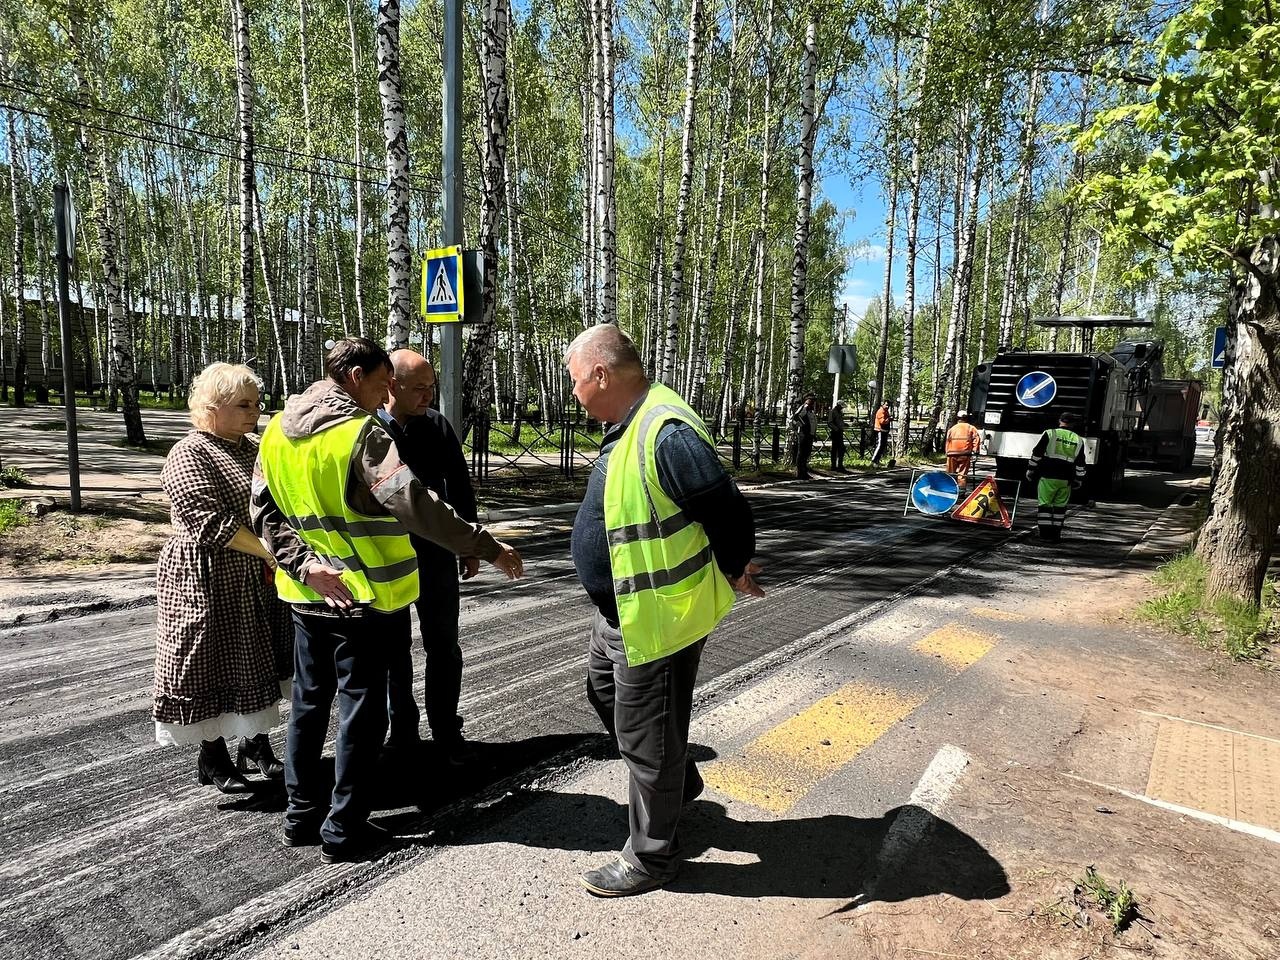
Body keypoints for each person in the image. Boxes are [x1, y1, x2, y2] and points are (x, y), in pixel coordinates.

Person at [251, 336, 525, 864]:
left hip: (309, 595)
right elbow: (415, 504)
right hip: (366, 599)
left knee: (308, 705)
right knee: (361, 710)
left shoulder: (276, 433)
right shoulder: (362, 434)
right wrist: (484, 546)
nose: (386, 394)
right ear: (354, 376)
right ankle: (345, 828)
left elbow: (264, 512)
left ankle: (301, 815)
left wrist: (303, 565)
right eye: (382, 383)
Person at [564, 324, 762, 897]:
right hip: (620, 611)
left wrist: (736, 565)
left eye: (576, 380)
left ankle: (652, 857)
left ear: (602, 373)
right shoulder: (630, 422)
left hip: (655, 616)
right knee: (604, 692)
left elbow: (727, 510)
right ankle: (675, 782)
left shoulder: (665, 432)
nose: (573, 392)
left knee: (648, 738)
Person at [152, 362, 292, 794]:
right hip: (204, 572)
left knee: (256, 653)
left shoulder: (255, 449)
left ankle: (257, 744)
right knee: (206, 661)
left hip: (254, 572)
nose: (255, 412)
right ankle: (212, 757)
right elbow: (205, 519)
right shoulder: (189, 452)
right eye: (244, 404)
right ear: (212, 407)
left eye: (256, 403)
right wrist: (268, 551)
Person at [377, 349, 479, 765]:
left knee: (443, 644)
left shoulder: (436, 425)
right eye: (418, 388)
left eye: (431, 387)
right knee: (391, 650)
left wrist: (469, 545)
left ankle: (445, 728)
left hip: (434, 555)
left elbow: (459, 487)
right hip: (386, 558)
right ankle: (401, 728)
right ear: (390, 386)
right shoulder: (368, 428)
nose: (427, 395)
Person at [1026, 412, 1087, 542]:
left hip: (1048, 475)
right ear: (1073, 424)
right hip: (1066, 479)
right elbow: (1080, 462)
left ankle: (1045, 535)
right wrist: (1079, 479)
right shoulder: (1078, 439)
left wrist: (1031, 469)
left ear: (1060, 421)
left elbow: (1037, 453)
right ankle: (1056, 535)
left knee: (1045, 505)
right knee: (1060, 506)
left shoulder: (1050, 433)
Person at [944, 410, 982, 488]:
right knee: (962, 474)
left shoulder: (952, 429)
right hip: (965, 454)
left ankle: (949, 490)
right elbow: (976, 440)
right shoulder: (971, 428)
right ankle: (961, 491)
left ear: (957, 418)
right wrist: (975, 452)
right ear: (967, 418)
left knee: (950, 474)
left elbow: (948, 441)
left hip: (952, 454)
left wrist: (947, 452)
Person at [792, 393, 817, 480]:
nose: (813, 402)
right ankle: (799, 472)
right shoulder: (804, 408)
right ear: (807, 400)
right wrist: (803, 425)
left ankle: (804, 471)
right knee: (801, 453)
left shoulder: (811, 411)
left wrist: (814, 434)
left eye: (813, 401)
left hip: (809, 435)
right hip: (803, 434)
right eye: (811, 400)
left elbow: (813, 423)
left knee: (807, 453)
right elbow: (796, 417)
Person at [828, 401, 846, 472]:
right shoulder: (832, 412)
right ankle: (833, 466)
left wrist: (844, 424)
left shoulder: (840, 412)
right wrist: (836, 429)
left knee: (841, 449)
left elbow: (840, 421)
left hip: (840, 432)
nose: (842, 408)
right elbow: (830, 423)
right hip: (835, 433)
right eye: (841, 406)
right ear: (838, 405)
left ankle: (840, 465)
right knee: (835, 449)